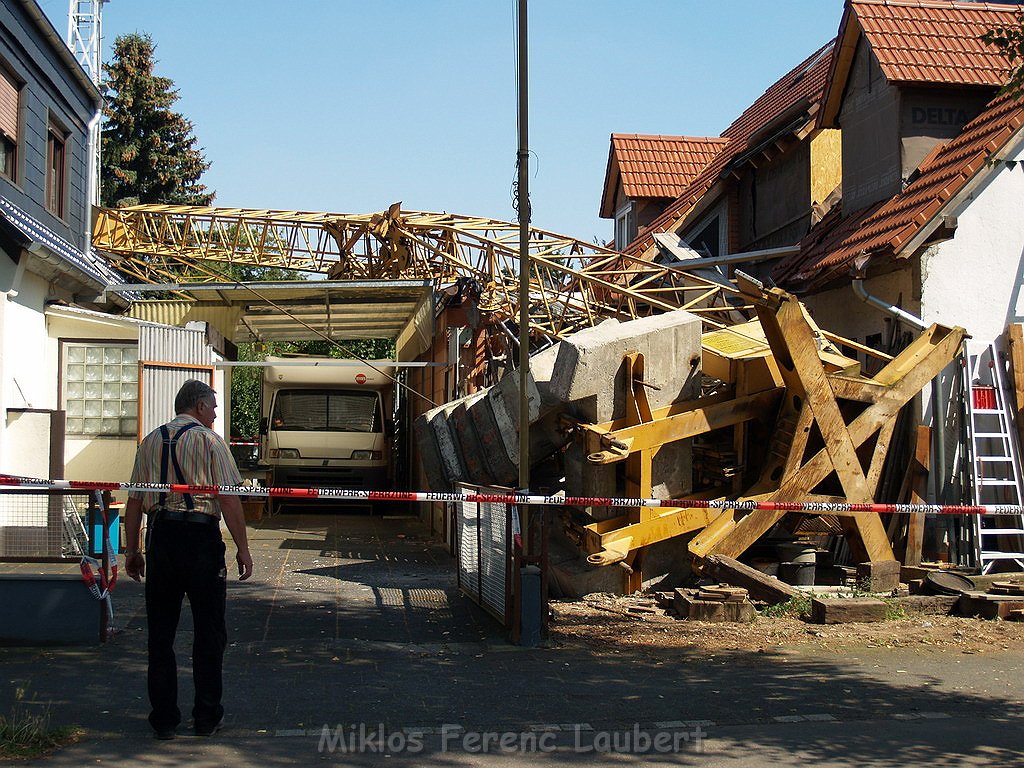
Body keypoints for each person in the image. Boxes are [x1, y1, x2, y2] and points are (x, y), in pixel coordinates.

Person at [123, 379, 254, 740]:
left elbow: (135, 500)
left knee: (160, 634)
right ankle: (206, 716)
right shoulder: (211, 442)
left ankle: (164, 719)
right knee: (209, 631)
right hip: (200, 540)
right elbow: (228, 498)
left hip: (161, 538)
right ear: (198, 406)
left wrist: (132, 550)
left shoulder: (149, 442)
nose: (215, 413)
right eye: (212, 406)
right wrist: (243, 548)